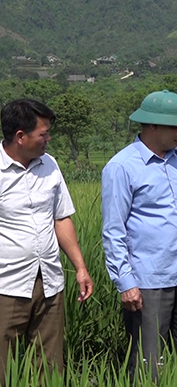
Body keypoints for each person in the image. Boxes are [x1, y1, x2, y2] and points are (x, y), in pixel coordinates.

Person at [101, 90, 177, 378]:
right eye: (175, 127)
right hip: (148, 282)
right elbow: (113, 231)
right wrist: (126, 283)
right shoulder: (121, 167)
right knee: (148, 364)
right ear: (152, 126)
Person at [0, 99, 93, 383]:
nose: (48, 139)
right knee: (4, 370)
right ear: (20, 136)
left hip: (50, 283)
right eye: (43, 134)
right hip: (7, 286)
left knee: (50, 369)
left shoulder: (49, 165)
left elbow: (61, 218)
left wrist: (80, 267)